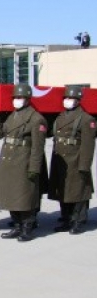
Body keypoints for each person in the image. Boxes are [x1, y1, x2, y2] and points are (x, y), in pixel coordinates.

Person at [0, 84, 48, 242]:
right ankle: (17, 226)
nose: (16, 100)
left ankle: (27, 228)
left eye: (20, 97)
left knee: (24, 197)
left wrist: (34, 167)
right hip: (9, 161)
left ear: (28, 99)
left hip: (23, 162)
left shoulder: (36, 119)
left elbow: (38, 148)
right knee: (11, 196)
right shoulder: (12, 115)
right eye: (15, 98)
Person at [48, 86, 95, 235]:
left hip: (75, 160)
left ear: (78, 100)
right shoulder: (60, 116)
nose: (68, 101)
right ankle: (66, 218)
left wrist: (84, 165)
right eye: (66, 98)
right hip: (60, 159)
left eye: (71, 98)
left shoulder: (86, 119)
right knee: (63, 191)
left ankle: (78, 221)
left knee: (77, 192)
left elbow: (88, 145)